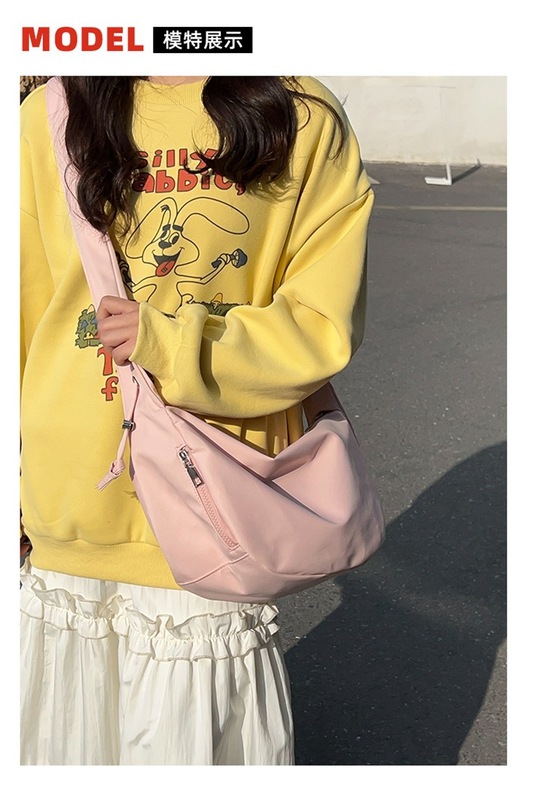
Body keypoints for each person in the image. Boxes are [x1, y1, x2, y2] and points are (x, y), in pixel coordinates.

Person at [20, 75, 374, 765]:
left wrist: (172, 343)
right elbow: (23, 308)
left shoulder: (298, 114)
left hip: (213, 503)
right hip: (69, 499)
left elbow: (321, 324)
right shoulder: (52, 111)